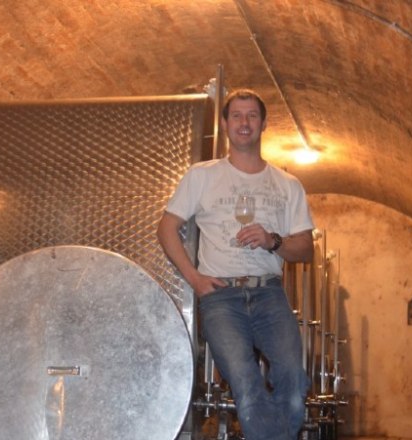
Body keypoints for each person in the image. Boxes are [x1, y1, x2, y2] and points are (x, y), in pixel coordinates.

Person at [157, 88, 314, 440]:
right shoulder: (202, 175)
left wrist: (273, 240)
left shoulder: (288, 184)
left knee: (292, 377)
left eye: (252, 116)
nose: (245, 122)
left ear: (264, 123)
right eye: (238, 116)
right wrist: (195, 279)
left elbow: (306, 249)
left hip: (269, 294)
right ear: (226, 124)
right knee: (245, 382)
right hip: (221, 296)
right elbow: (166, 228)